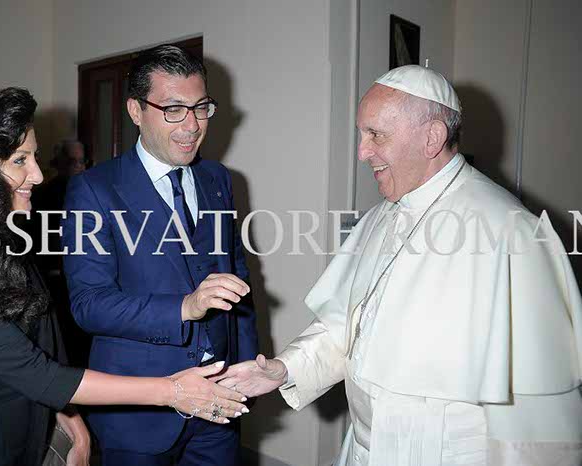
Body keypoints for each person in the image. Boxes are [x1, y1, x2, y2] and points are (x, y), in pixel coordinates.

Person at [214, 65, 582, 465]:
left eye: (376, 135)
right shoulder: (379, 217)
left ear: (432, 137)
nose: (362, 152)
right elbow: (347, 328)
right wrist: (284, 369)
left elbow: (539, 410)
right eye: (362, 134)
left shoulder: (510, 231)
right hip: (363, 448)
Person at [0, 87, 249, 466]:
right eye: (20, 160)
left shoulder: (3, 246)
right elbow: (36, 372)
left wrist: (69, 418)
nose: (37, 174)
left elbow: (46, 350)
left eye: (34, 157)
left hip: (30, 438)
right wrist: (171, 391)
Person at [62, 45, 258, 465]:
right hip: (138, 415)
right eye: (173, 109)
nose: (192, 125)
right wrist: (184, 307)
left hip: (219, 404)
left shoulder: (218, 179)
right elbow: (88, 305)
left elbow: (237, 280)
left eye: (201, 108)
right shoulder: (93, 189)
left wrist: (245, 371)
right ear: (136, 111)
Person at [31, 140, 90, 366]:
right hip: (55, 280)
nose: (79, 167)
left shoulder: (92, 193)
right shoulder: (42, 196)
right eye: (74, 162)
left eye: (82, 161)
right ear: (60, 163)